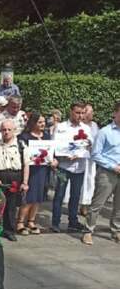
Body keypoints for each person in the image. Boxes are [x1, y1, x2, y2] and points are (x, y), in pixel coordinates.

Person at [82, 100, 120, 245]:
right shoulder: (105, 132)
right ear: (115, 113)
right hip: (107, 172)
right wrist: (113, 166)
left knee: (119, 205)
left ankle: (116, 230)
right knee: (98, 203)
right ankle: (88, 231)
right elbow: (96, 154)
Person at [0, 120, 29, 241]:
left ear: (14, 131)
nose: (6, 132)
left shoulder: (21, 145)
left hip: (15, 176)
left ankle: (9, 230)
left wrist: (25, 182)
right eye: (4, 130)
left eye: (9, 130)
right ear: (0, 131)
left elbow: (26, 165)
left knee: (11, 205)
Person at [51, 100, 91, 233]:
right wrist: (60, 156)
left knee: (75, 195)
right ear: (71, 112)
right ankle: (55, 222)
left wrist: (79, 154)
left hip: (79, 167)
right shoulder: (61, 127)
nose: (80, 116)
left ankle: (73, 222)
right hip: (63, 166)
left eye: (82, 113)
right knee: (59, 194)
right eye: (77, 113)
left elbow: (89, 146)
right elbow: (54, 145)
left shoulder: (86, 128)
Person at [17, 111, 51, 235]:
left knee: (38, 196)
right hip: (30, 170)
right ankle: (20, 222)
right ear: (33, 123)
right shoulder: (24, 137)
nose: (43, 124)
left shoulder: (47, 136)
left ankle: (31, 221)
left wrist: (54, 161)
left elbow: (51, 152)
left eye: (43, 122)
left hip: (42, 170)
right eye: (40, 122)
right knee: (28, 197)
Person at [80, 103, 100, 211]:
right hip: (80, 157)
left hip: (91, 158)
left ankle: (85, 205)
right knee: (80, 181)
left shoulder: (94, 125)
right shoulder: (80, 125)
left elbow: (98, 140)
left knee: (89, 181)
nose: (92, 114)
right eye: (90, 111)